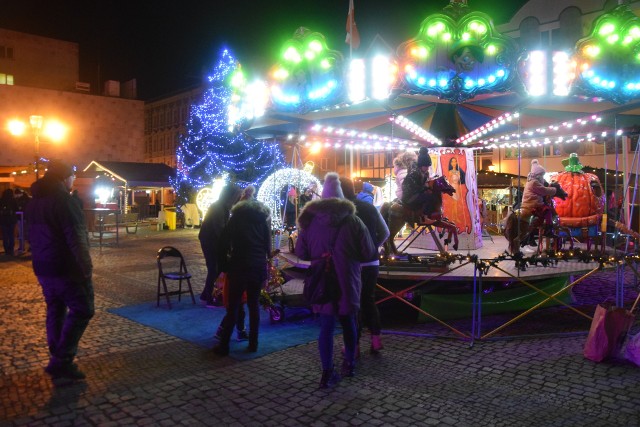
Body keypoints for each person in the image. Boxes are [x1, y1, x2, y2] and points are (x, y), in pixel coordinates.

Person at [295, 172, 376, 388]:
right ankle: (349, 363)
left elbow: (301, 252)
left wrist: (319, 255)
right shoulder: (354, 221)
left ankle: (326, 371)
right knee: (349, 322)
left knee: (326, 327)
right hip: (347, 280)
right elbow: (368, 252)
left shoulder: (310, 223)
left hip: (322, 280)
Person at [27, 160, 94, 380]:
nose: (74, 180)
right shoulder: (64, 201)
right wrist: (86, 268)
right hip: (66, 268)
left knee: (55, 309)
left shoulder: (35, 202)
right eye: (72, 176)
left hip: (43, 267)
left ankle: (57, 356)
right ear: (65, 177)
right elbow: (76, 238)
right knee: (83, 309)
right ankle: (62, 359)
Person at [214, 195, 273, 355]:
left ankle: (224, 345)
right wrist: (265, 266)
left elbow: (223, 243)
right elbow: (268, 245)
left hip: (239, 266)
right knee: (254, 306)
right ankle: (253, 343)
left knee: (233, 306)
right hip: (257, 266)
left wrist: (224, 265)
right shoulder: (262, 220)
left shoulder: (236, 219)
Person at [340, 177, 390, 355]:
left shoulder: (344, 211)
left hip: (353, 262)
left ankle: (354, 344)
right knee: (368, 299)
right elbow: (385, 232)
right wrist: (373, 245)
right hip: (372, 261)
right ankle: (376, 339)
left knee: (353, 303)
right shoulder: (369, 207)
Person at [199, 184, 242, 306]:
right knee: (214, 268)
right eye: (236, 197)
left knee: (215, 268)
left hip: (213, 241)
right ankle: (209, 297)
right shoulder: (218, 208)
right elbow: (220, 229)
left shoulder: (223, 207)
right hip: (210, 241)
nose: (237, 200)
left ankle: (206, 294)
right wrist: (229, 243)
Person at [401, 147, 434, 216]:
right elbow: (414, 188)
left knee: (432, 195)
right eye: (426, 166)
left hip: (414, 194)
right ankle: (424, 216)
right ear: (421, 165)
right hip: (409, 196)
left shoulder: (422, 173)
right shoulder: (414, 173)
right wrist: (425, 187)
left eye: (428, 166)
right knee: (429, 198)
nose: (427, 168)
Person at [0, 188, 18, 256]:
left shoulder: (1, 200)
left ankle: (6, 249)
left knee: (5, 235)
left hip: (3, 220)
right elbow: (16, 209)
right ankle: (11, 249)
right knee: (11, 235)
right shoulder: (13, 200)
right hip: (11, 220)